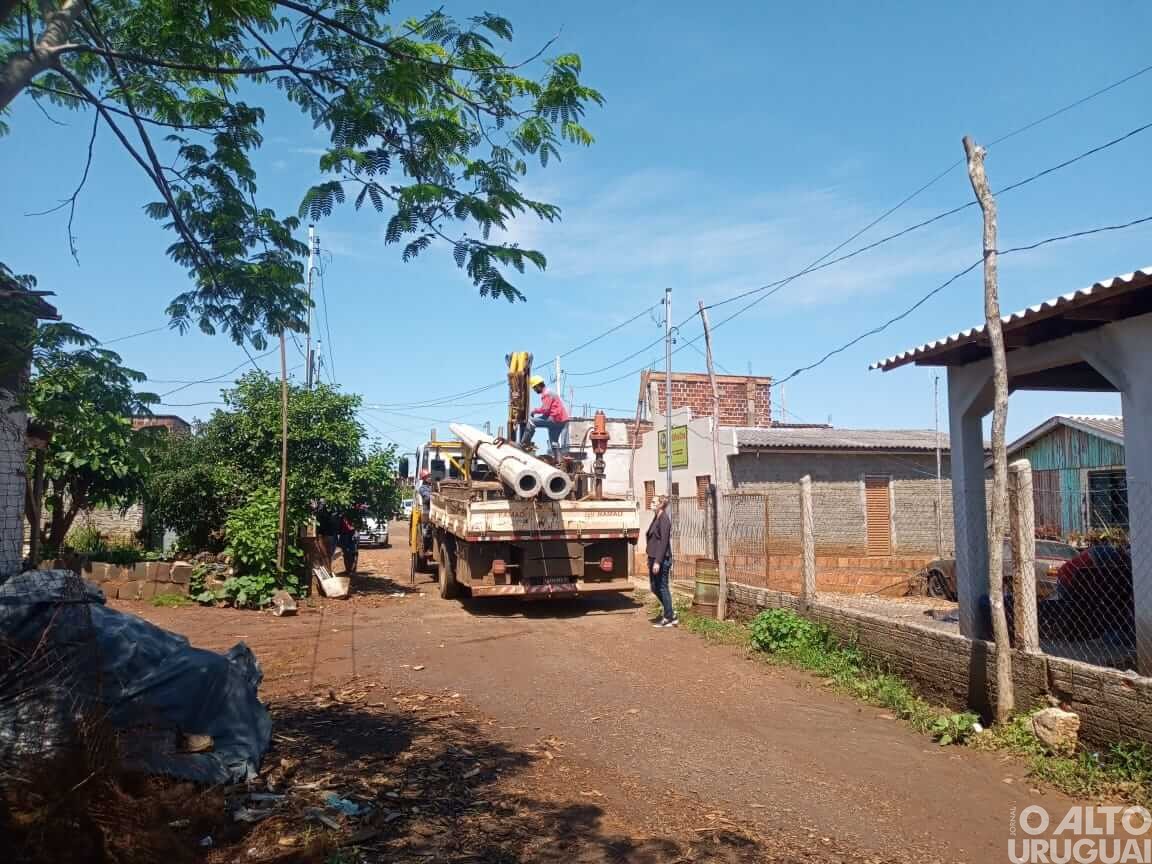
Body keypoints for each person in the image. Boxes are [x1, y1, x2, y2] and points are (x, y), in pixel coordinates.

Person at [645, 495, 678, 627]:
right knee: (654, 587)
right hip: (653, 558)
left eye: (654, 502)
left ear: (660, 505)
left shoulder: (664, 520)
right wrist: (650, 558)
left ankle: (668, 618)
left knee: (662, 587)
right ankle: (670, 612)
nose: (651, 503)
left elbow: (663, 543)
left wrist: (658, 561)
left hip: (662, 560)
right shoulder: (656, 517)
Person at [519, 375, 570, 455]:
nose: (534, 390)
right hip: (561, 420)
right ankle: (558, 461)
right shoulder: (550, 391)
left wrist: (534, 411)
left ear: (538, 386)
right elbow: (547, 412)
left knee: (531, 422)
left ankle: (524, 444)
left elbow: (545, 410)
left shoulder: (546, 394)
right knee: (554, 442)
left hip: (554, 418)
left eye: (534, 388)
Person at [337, 510, 359, 575]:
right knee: (346, 553)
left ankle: (352, 570)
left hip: (351, 534)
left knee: (353, 553)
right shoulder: (341, 515)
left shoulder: (354, 513)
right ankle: (348, 570)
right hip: (344, 534)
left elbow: (355, 525)